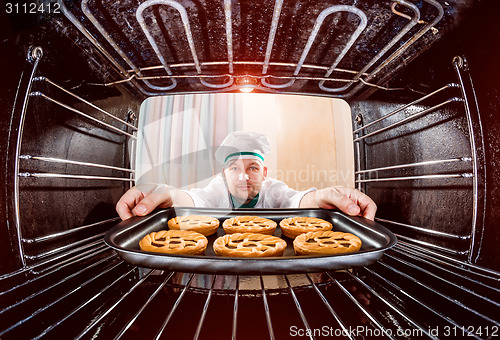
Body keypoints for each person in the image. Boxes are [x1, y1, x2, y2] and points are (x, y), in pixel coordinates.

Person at [116, 131, 377, 220]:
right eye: (234, 168)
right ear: (223, 173)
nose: (243, 178)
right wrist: (169, 194)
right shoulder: (218, 188)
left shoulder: (272, 188)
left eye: (252, 168)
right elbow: (196, 199)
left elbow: (294, 200)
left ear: (264, 173)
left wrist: (322, 196)